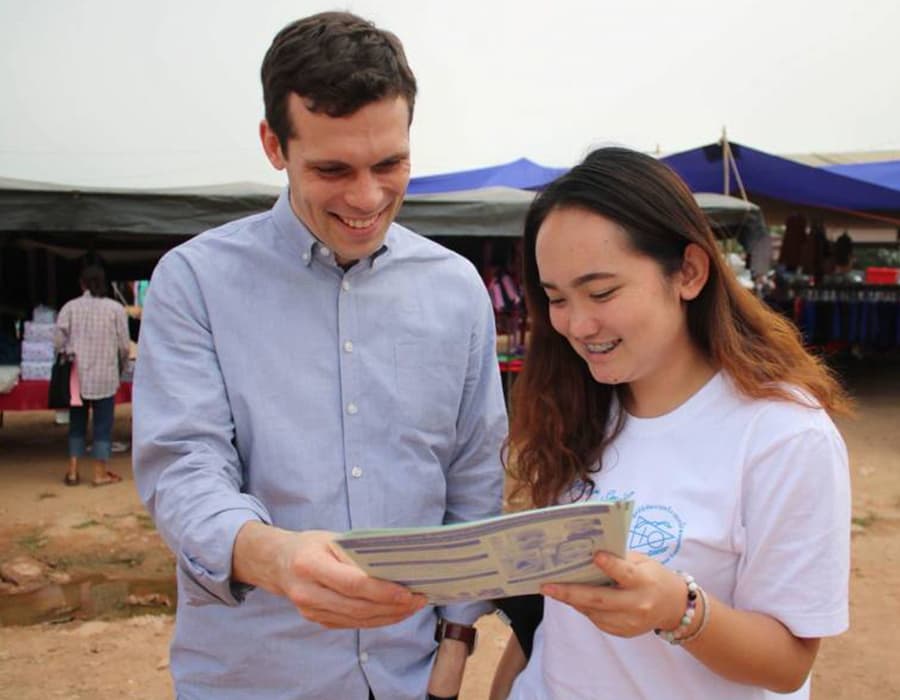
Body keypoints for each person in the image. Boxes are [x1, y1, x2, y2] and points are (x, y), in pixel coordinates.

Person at [132, 11, 506, 700]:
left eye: (389, 164)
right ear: (274, 144)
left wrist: (454, 647)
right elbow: (183, 467)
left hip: (412, 677)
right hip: (253, 678)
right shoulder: (196, 282)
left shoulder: (456, 290)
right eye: (332, 169)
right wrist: (273, 557)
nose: (366, 198)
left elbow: (473, 479)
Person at [491, 147, 851, 700]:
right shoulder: (578, 407)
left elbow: (788, 665)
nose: (578, 324)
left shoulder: (782, 435)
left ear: (688, 272)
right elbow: (551, 620)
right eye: (556, 298)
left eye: (602, 291)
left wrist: (678, 609)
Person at [55, 264, 130, 487]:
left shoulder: (70, 307)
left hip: (77, 375)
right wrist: (121, 366)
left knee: (77, 422)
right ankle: (100, 473)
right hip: (106, 375)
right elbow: (124, 346)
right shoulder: (115, 309)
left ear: (82, 284)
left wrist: (66, 353)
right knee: (103, 424)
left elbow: (58, 340)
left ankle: (72, 470)